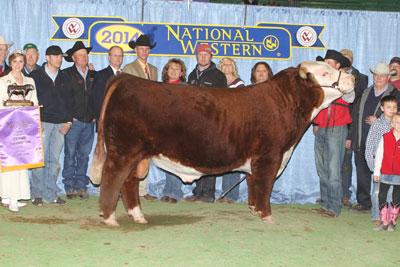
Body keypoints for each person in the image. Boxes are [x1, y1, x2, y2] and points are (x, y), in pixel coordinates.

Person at [312, 49, 354, 217]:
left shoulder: (347, 79)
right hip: (321, 125)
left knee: (333, 168)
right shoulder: (319, 80)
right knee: (321, 167)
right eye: (325, 62)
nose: (326, 65)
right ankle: (325, 202)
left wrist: (342, 83)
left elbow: (350, 98)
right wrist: (314, 122)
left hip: (337, 126)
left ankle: (334, 207)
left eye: (330, 62)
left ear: (338, 66)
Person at [29, 45, 73, 206]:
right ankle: (37, 193)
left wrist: (68, 122)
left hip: (60, 124)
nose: (59, 59)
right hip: (42, 122)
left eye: (60, 56)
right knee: (40, 159)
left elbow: (70, 102)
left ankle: (51, 193)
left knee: (54, 160)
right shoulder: (35, 76)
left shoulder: (65, 77)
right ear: (47, 58)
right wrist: (35, 122)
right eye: (55, 56)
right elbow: (30, 100)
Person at [349, 62, 396, 212]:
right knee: (362, 168)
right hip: (362, 137)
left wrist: (383, 119)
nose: (379, 78)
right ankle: (364, 202)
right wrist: (351, 136)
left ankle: (385, 205)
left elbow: (398, 117)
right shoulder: (365, 92)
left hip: (385, 140)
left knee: (384, 171)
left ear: (388, 77)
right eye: (376, 74)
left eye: (382, 75)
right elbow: (356, 116)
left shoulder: (395, 94)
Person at [185, 43, 227, 203]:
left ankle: (208, 194)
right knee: (197, 158)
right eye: (200, 54)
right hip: (195, 124)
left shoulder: (218, 76)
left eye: (206, 54)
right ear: (196, 56)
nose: (203, 57)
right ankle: (198, 192)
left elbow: (223, 101)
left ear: (211, 56)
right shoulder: (191, 76)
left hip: (212, 123)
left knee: (210, 158)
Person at [0, 49, 38, 212]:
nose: (18, 65)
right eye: (15, 62)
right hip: (8, 124)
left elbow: (34, 101)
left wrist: (34, 120)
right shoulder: (3, 81)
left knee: (21, 160)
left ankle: (15, 195)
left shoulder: (29, 80)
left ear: (24, 64)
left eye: (21, 62)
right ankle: (10, 196)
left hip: (25, 124)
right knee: (10, 161)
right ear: (10, 63)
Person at [122, 34, 158, 200]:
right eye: (141, 49)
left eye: (146, 49)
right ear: (136, 50)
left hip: (149, 119)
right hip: (134, 118)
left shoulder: (154, 70)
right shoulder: (129, 69)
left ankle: (142, 191)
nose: (144, 52)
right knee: (131, 155)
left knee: (146, 155)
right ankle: (127, 189)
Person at [62, 41, 95, 200]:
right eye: (80, 55)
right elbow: (63, 98)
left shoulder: (93, 74)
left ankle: (81, 186)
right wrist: (69, 117)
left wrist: (95, 114)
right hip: (74, 121)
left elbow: (98, 96)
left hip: (89, 121)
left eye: (85, 54)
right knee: (70, 154)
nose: (83, 57)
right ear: (74, 58)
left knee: (84, 155)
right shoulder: (67, 74)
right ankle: (69, 186)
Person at [339, 49, 369, 207]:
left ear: (352, 60)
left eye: (348, 58)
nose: (346, 60)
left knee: (345, 161)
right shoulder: (333, 75)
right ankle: (331, 193)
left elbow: (355, 100)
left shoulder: (362, 78)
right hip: (333, 122)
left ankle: (344, 194)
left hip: (350, 124)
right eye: (343, 58)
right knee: (331, 160)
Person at [365, 96, 398, 224]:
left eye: (395, 107)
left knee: (391, 192)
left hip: (394, 167)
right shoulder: (377, 125)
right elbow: (369, 146)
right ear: (382, 108)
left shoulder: (398, 125)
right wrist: (373, 167)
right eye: (389, 107)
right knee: (377, 192)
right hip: (379, 165)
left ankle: (388, 216)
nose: (392, 110)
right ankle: (376, 216)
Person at [217, 57, 245, 203]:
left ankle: (232, 195)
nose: (226, 67)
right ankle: (224, 192)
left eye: (229, 64)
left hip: (235, 126)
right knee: (225, 159)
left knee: (235, 160)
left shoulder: (239, 84)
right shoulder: (220, 84)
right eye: (223, 65)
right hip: (222, 126)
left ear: (233, 67)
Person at [160, 58, 188, 204]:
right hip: (164, 129)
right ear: (166, 71)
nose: (174, 71)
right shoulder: (160, 87)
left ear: (182, 72)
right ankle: (167, 190)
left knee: (176, 161)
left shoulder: (185, 88)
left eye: (177, 69)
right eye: (171, 68)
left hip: (178, 129)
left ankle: (175, 193)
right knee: (166, 161)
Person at [373, 112, 400, 231]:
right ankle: (384, 221)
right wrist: (376, 172)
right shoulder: (385, 137)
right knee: (382, 195)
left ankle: (392, 223)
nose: (399, 125)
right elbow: (379, 155)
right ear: (392, 123)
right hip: (385, 173)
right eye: (397, 122)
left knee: (397, 198)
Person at [91, 45, 124, 122]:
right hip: (106, 120)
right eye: (115, 55)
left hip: (122, 121)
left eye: (120, 56)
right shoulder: (101, 75)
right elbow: (97, 100)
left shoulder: (125, 76)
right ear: (109, 57)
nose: (118, 58)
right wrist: (101, 120)